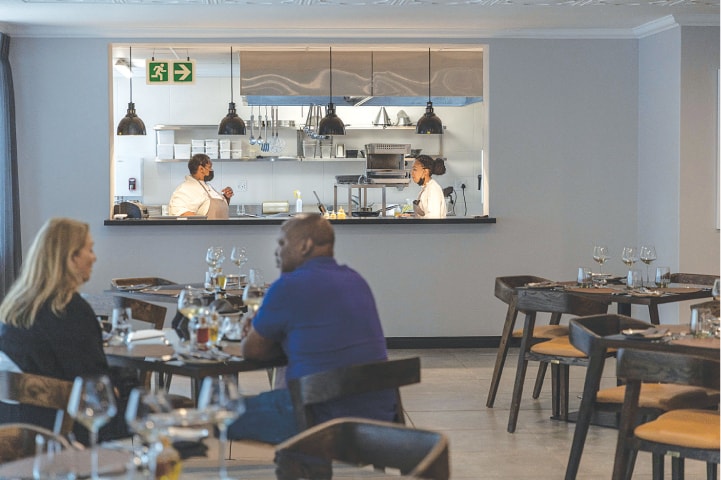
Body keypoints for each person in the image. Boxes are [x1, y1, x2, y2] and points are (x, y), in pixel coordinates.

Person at [227, 213, 396, 444]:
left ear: (305, 245)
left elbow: (251, 351)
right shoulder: (356, 280)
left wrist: (257, 330)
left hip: (318, 417)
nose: (277, 252)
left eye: (282, 243)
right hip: (376, 415)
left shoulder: (288, 287)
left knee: (217, 412)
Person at [0, 218, 136, 444]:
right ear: (70, 258)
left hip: (14, 428)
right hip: (61, 428)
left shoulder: (16, 306)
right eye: (89, 250)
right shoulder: (71, 310)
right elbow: (93, 383)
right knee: (148, 409)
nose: (94, 258)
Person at [168, 153, 234, 219]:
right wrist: (202, 225)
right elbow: (178, 212)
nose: (212, 170)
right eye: (209, 167)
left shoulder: (207, 186)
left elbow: (216, 209)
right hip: (207, 229)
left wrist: (226, 198)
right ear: (201, 169)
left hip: (220, 228)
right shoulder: (186, 188)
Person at [410, 154, 447, 219]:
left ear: (425, 172)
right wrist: (411, 216)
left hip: (431, 229)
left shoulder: (433, 189)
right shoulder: (426, 188)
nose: (412, 173)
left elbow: (433, 219)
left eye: (415, 169)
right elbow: (423, 214)